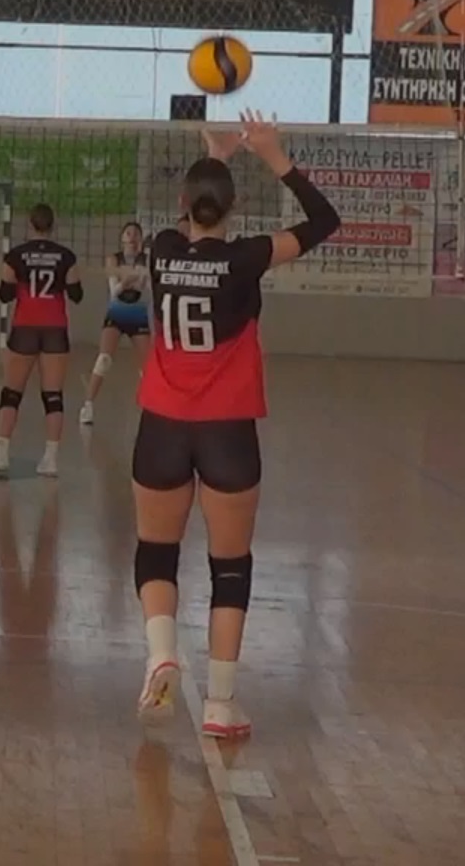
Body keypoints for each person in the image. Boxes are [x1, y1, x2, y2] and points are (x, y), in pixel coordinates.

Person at [131, 111, 339, 740]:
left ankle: (161, 654)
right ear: (235, 207)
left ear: (182, 205)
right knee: (230, 567)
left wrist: (215, 158)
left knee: (156, 552)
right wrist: (272, 155)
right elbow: (323, 221)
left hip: (162, 425)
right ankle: (220, 705)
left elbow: (194, 222)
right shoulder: (248, 258)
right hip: (227, 431)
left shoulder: (161, 251)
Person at [0, 204, 83, 478]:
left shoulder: (16, 256)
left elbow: (5, 295)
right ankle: (51, 459)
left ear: (30, 225)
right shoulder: (66, 256)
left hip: (25, 328)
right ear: (53, 225)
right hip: (55, 330)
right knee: (53, 396)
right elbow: (77, 295)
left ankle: (0, 455)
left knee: (11, 392)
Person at [82, 222, 151, 425]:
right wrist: (128, 279)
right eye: (128, 233)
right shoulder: (113, 259)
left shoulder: (146, 259)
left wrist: (134, 277)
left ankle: (150, 407)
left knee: (148, 366)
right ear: (122, 238)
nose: (132, 237)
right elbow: (115, 291)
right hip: (117, 312)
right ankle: (88, 405)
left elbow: (144, 286)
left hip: (138, 313)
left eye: (136, 234)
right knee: (104, 359)